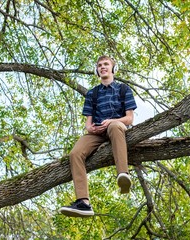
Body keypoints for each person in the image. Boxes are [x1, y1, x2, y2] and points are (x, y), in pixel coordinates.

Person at [59, 55, 137, 217]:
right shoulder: (92, 94)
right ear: (97, 70)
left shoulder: (123, 89)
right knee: (75, 154)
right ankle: (84, 203)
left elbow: (129, 119)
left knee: (115, 126)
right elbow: (88, 123)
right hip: (98, 133)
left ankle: (123, 175)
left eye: (106, 64)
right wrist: (92, 129)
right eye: (100, 65)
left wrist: (111, 121)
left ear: (113, 69)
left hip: (117, 128)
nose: (103, 67)